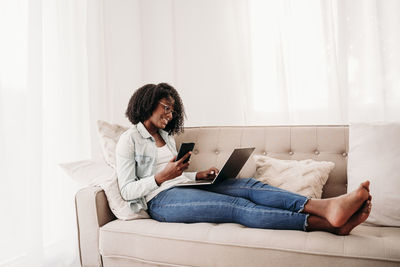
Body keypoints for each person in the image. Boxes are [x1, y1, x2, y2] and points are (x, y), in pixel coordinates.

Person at [116, 83, 372, 235]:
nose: (170, 115)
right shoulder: (129, 140)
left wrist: (197, 175)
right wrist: (161, 178)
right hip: (159, 202)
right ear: (148, 103)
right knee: (236, 206)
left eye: (173, 110)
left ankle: (326, 207)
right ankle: (328, 226)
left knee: (249, 186)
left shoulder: (166, 136)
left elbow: (174, 174)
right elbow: (128, 190)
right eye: (166, 108)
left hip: (180, 187)